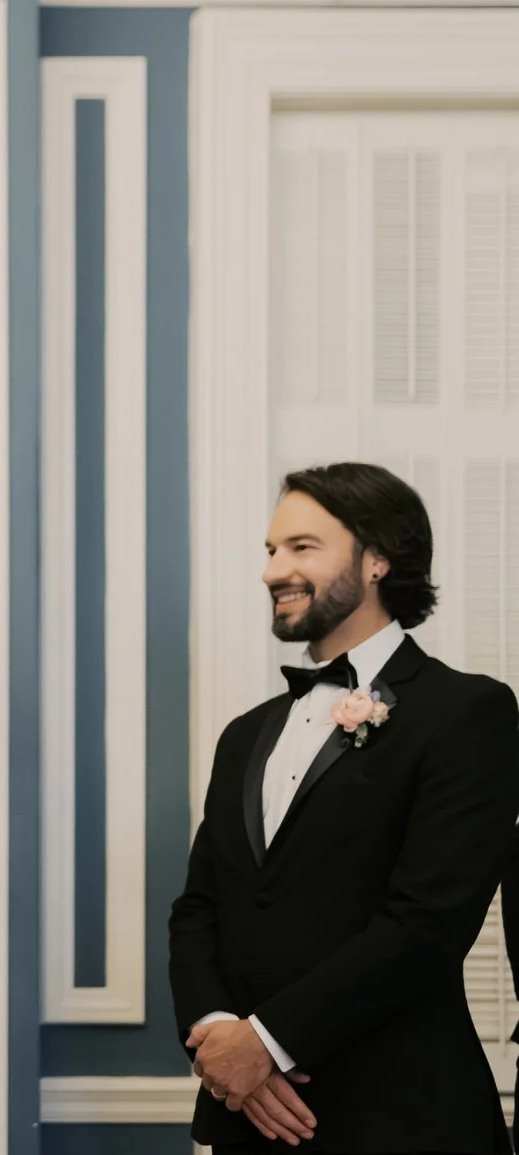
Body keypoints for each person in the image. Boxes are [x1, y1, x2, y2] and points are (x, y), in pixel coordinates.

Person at [171, 463, 519, 1153]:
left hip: (401, 1115)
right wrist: (222, 1040)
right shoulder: (244, 735)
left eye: (302, 547)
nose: (274, 570)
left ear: (377, 558)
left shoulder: (468, 712)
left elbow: (428, 923)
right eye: (271, 551)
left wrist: (266, 1041)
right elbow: (200, 908)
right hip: (250, 1119)